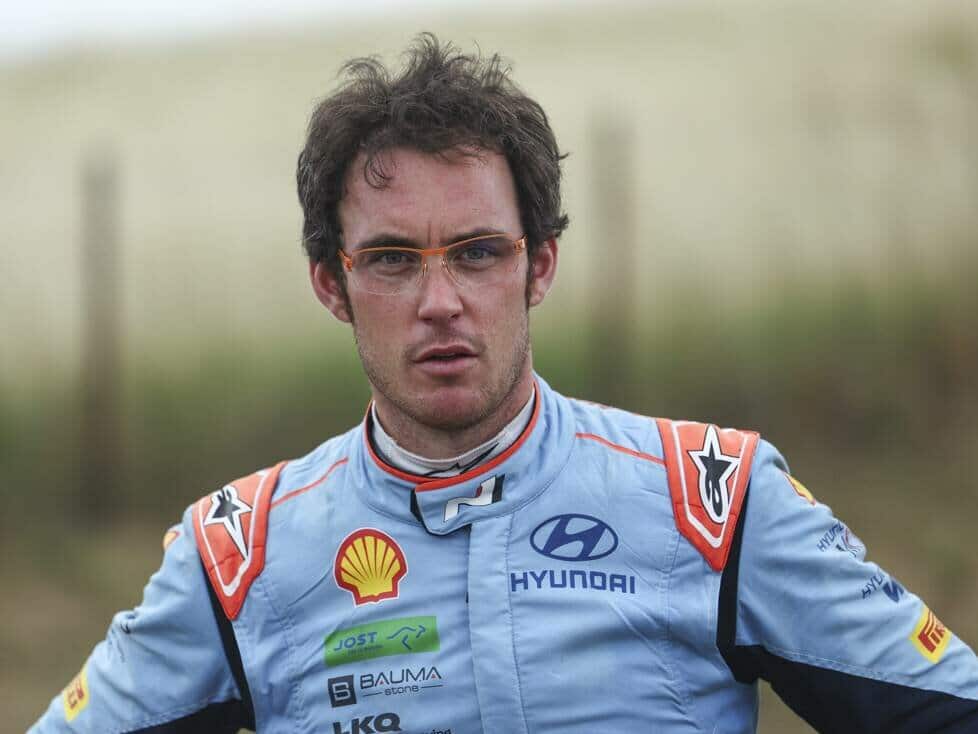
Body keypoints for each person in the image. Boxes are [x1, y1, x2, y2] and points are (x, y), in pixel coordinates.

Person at [31, 33, 978, 734]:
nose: (441, 301)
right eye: (392, 260)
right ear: (331, 284)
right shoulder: (238, 556)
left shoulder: (713, 500)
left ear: (540, 265)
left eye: (480, 251)